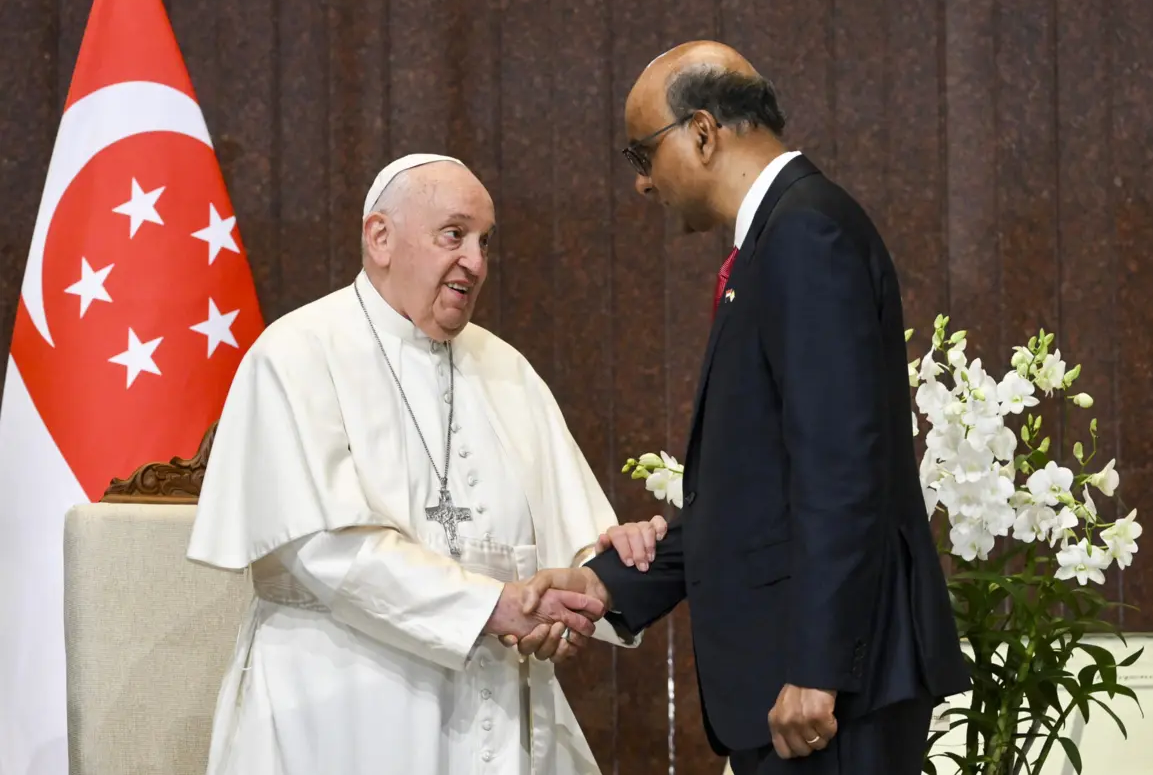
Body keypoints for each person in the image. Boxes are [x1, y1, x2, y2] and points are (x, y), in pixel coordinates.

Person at [574, 42, 972, 773]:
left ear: (702, 132)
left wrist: (818, 670)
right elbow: (759, 498)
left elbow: (841, 468)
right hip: (809, 688)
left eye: (642, 154)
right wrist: (605, 584)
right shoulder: (777, 237)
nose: (641, 184)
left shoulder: (804, 233)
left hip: (829, 697)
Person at [186, 154, 638, 775]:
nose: (475, 262)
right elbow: (323, 549)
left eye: (484, 242)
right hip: (338, 704)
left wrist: (594, 583)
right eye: (454, 235)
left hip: (499, 704)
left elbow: (577, 541)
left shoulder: (507, 368)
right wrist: (494, 607)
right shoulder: (294, 355)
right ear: (380, 238)